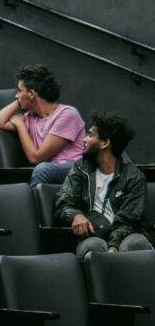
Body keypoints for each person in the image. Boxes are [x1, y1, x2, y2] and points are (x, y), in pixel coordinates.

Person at [54, 111, 153, 260]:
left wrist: (114, 246)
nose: (84, 139)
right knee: (91, 247)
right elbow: (64, 201)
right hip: (93, 233)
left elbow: (128, 220)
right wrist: (75, 215)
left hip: (127, 233)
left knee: (135, 244)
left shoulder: (134, 176)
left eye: (90, 135)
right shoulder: (81, 168)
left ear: (105, 143)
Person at [0, 64, 85, 187]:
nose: (16, 95)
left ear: (32, 94)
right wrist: (19, 102)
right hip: (50, 170)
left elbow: (36, 158)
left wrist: (20, 126)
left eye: (19, 91)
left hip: (75, 168)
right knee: (42, 169)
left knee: (41, 169)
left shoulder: (67, 114)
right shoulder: (30, 118)